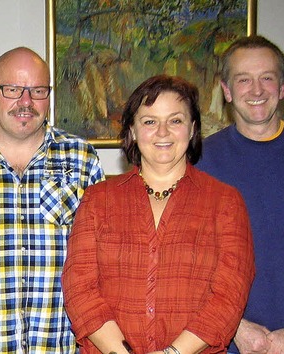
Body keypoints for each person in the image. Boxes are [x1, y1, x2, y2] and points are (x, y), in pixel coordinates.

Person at [62, 75, 255, 354]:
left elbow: (229, 296)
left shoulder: (226, 202)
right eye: (149, 121)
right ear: (132, 131)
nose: (162, 132)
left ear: (192, 130)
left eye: (175, 120)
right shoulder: (98, 200)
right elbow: (80, 288)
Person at [0, 46, 104, 353]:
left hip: (62, 348)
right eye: (13, 89)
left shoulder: (81, 158)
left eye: (37, 91)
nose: (25, 102)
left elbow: (105, 260)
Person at [196, 35, 284, 354]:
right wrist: (234, 328)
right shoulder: (199, 162)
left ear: (282, 88)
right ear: (226, 91)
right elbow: (186, 259)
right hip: (227, 343)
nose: (256, 91)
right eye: (244, 80)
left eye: (267, 78)